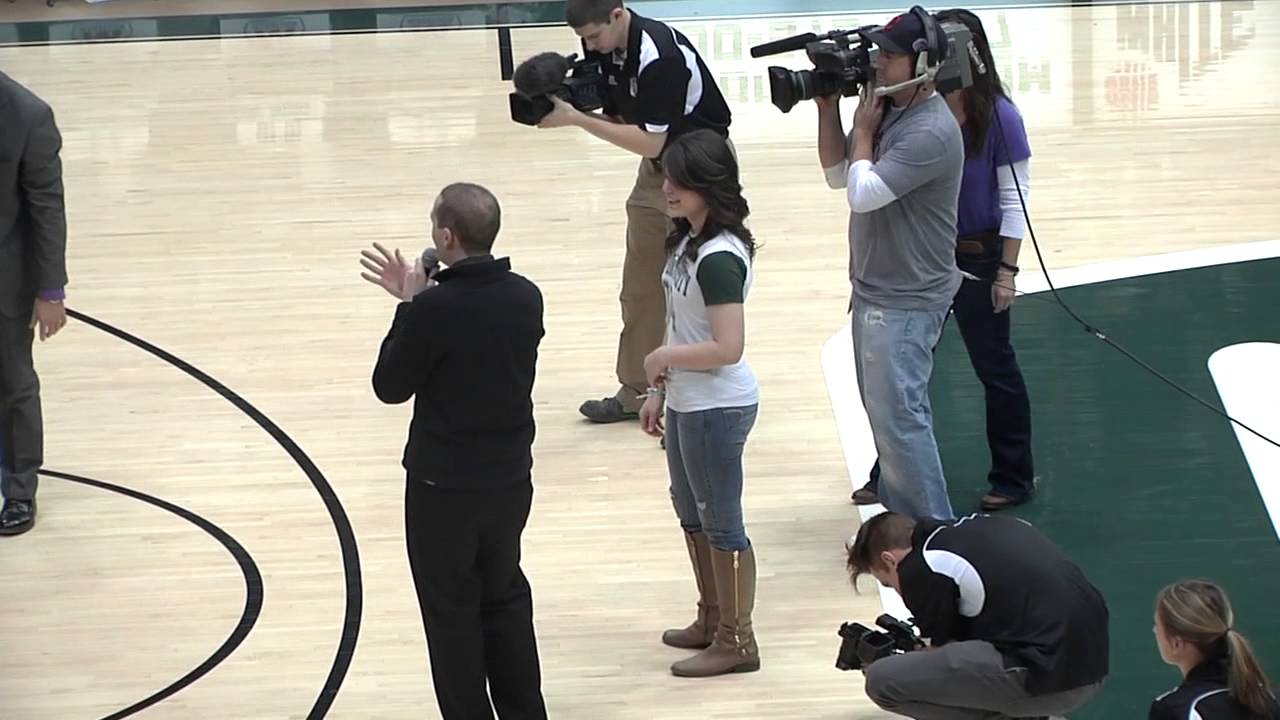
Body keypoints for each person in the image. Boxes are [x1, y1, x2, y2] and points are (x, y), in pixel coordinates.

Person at [361, 183, 547, 720]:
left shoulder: (433, 309)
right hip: (509, 479)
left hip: (443, 488)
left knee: (450, 613)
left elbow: (389, 385)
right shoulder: (526, 296)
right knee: (505, 598)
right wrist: (424, 303)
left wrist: (409, 307)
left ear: (446, 236)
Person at [851, 8, 1037, 512]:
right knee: (900, 378)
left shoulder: (999, 116)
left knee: (994, 367)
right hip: (922, 256)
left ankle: (1014, 476)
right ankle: (886, 474)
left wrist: (1007, 271)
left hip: (977, 256)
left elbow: (1015, 198)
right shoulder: (903, 109)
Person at [538, 0, 733, 426]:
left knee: (697, 290)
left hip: (701, 168)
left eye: (594, 36)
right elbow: (620, 117)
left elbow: (650, 140)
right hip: (658, 169)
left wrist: (576, 120)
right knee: (641, 287)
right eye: (584, 39)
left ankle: (697, 402)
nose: (591, 46)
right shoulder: (605, 46)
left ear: (618, 14)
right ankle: (636, 391)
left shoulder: (659, 55)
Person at [817, 7, 963, 520]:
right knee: (886, 419)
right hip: (877, 290)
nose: (878, 62)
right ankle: (907, 526)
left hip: (906, 300)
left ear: (922, 63)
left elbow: (863, 194)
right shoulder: (889, 109)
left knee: (900, 421)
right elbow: (839, 175)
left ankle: (932, 531)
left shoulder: (931, 131)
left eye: (890, 55)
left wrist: (863, 132)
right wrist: (828, 108)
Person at [638, 129, 760, 678]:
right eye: (666, 177)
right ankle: (712, 620)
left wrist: (663, 357)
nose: (667, 188)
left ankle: (738, 641)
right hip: (687, 401)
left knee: (721, 522)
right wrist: (659, 389)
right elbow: (680, 322)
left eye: (679, 181)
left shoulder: (718, 258)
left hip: (718, 407)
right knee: (691, 513)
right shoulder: (686, 240)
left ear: (708, 185)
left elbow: (728, 348)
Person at [846, 511, 1110, 718]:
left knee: (882, 680)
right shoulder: (988, 526)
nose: (899, 592)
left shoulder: (921, 565)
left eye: (889, 583)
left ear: (890, 559)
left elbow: (938, 652)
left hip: (1053, 680)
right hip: (1093, 667)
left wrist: (903, 657)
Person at [0, 70, 69, 536]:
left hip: (6, 277)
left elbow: (48, 210)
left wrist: (50, 291)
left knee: (13, 384)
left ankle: (19, 491)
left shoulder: (29, 116)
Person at [1150, 580, 1280, 720]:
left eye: (1157, 625)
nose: (1154, 630)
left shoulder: (1173, 710)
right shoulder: (1268, 698)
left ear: (1177, 643)